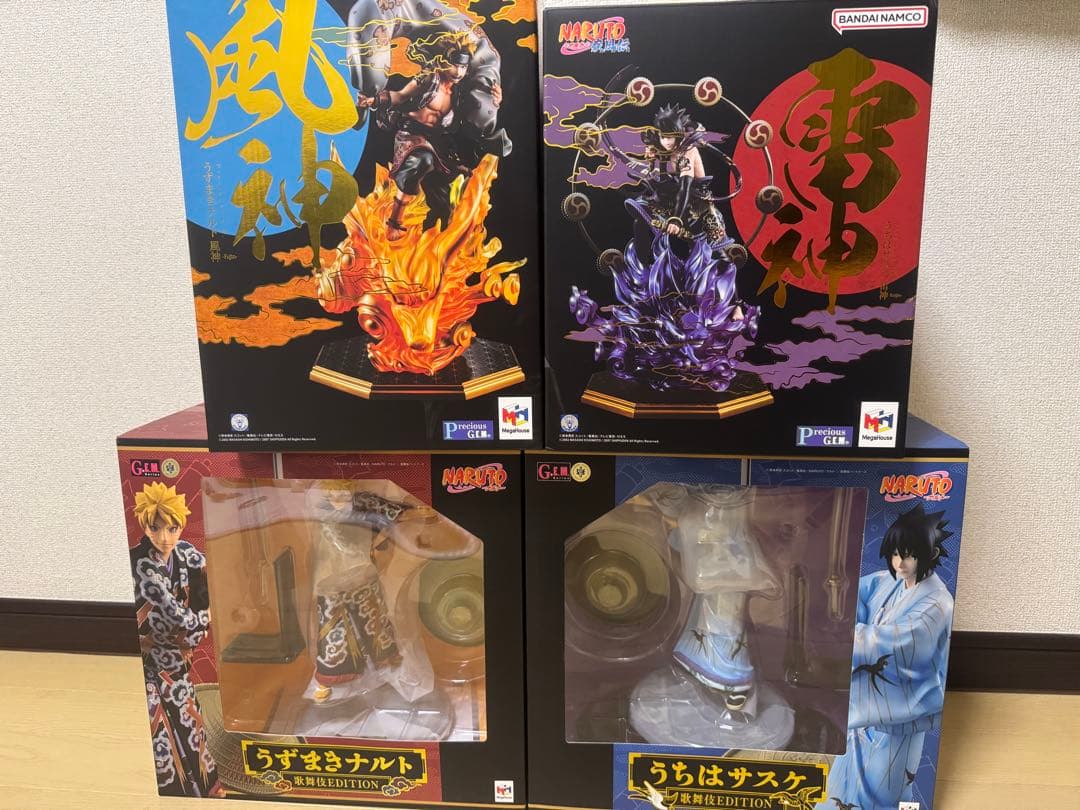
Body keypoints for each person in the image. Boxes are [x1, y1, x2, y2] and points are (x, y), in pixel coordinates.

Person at [817, 504, 954, 810]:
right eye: (895, 554)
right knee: (844, 781)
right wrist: (838, 596)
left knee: (882, 788)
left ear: (930, 554)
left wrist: (848, 634)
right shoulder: (890, 583)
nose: (899, 563)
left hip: (901, 715)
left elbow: (902, 643)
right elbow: (857, 592)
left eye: (908, 555)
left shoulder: (937, 603)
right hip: (865, 713)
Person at [358, 30, 510, 239]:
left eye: (463, 67)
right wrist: (374, 100)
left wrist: (494, 102)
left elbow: (475, 115)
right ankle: (394, 223)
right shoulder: (428, 79)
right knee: (421, 161)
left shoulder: (460, 92)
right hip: (411, 133)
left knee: (448, 191)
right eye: (454, 65)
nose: (458, 71)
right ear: (444, 62)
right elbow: (400, 96)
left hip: (437, 141)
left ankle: (439, 235)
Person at [130, 482, 222, 798]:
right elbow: (174, 615)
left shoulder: (187, 554)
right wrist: (197, 622)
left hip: (176, 659)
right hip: (147, 659)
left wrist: (202, 620)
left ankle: (208, 788)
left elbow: (207, 593)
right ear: (144, 527)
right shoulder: (140, 563)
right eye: (155, 528)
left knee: (190, 720)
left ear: (181, 526)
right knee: (159, 729)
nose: (164, 538)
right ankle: (176, 792)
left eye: (172, 528)